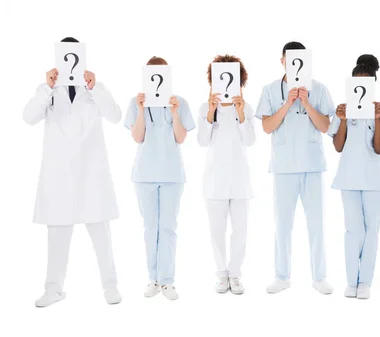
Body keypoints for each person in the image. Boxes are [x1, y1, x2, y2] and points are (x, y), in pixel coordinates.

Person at [23, 37, 122, 307]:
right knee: (57, 233)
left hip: (91, 171)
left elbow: (115, 115)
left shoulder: (95, 87)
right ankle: (53, 289)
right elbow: (29, 117)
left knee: (100, 231)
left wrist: (95, 89)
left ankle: (110, 285)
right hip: (59, 174)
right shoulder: (48, 89)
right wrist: (47, 87)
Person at [256, 41, 335, 294]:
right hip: (283, 166)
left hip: (312, 165)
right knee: (283, 224)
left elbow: (326, 127)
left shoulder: (319, 89)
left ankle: (319, 277)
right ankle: (282, 276)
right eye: (288, 60)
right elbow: (267, 127)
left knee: (316, 224)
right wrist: (288, 103)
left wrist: (307, 103)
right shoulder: (270, 90)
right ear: (282, 62)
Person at [124, 56, 195, 301]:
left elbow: (181, 138)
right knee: (149, 227)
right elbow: (137, 137)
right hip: (144, 174)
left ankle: (167, 281)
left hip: (172, 174)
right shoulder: (136, 103)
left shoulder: (180, 102)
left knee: (168, 227)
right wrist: (142, 110)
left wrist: (175, 113)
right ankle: (153, 278)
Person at [328, 55, 380, 300]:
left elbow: (379, 148)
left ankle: (365, 281)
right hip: (348, 178)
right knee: (352, 231)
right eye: (358, 82)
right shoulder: (343, 110)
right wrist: (343, 120)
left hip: (373, 180)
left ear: (374, 85)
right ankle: (351, 281)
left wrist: (377, 119)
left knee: (371, 231)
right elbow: (337, 145)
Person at [198, 55, 255, 295]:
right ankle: (221, 273)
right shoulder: (205, 107)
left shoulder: (246, 107)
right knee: (216, 230)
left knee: (240, 230)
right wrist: (211, 112)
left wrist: (241, 114)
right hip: (215, 180)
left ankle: (235, 273)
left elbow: (250, 140)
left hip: (240, 179)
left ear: (240, 81)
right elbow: (202, 141)